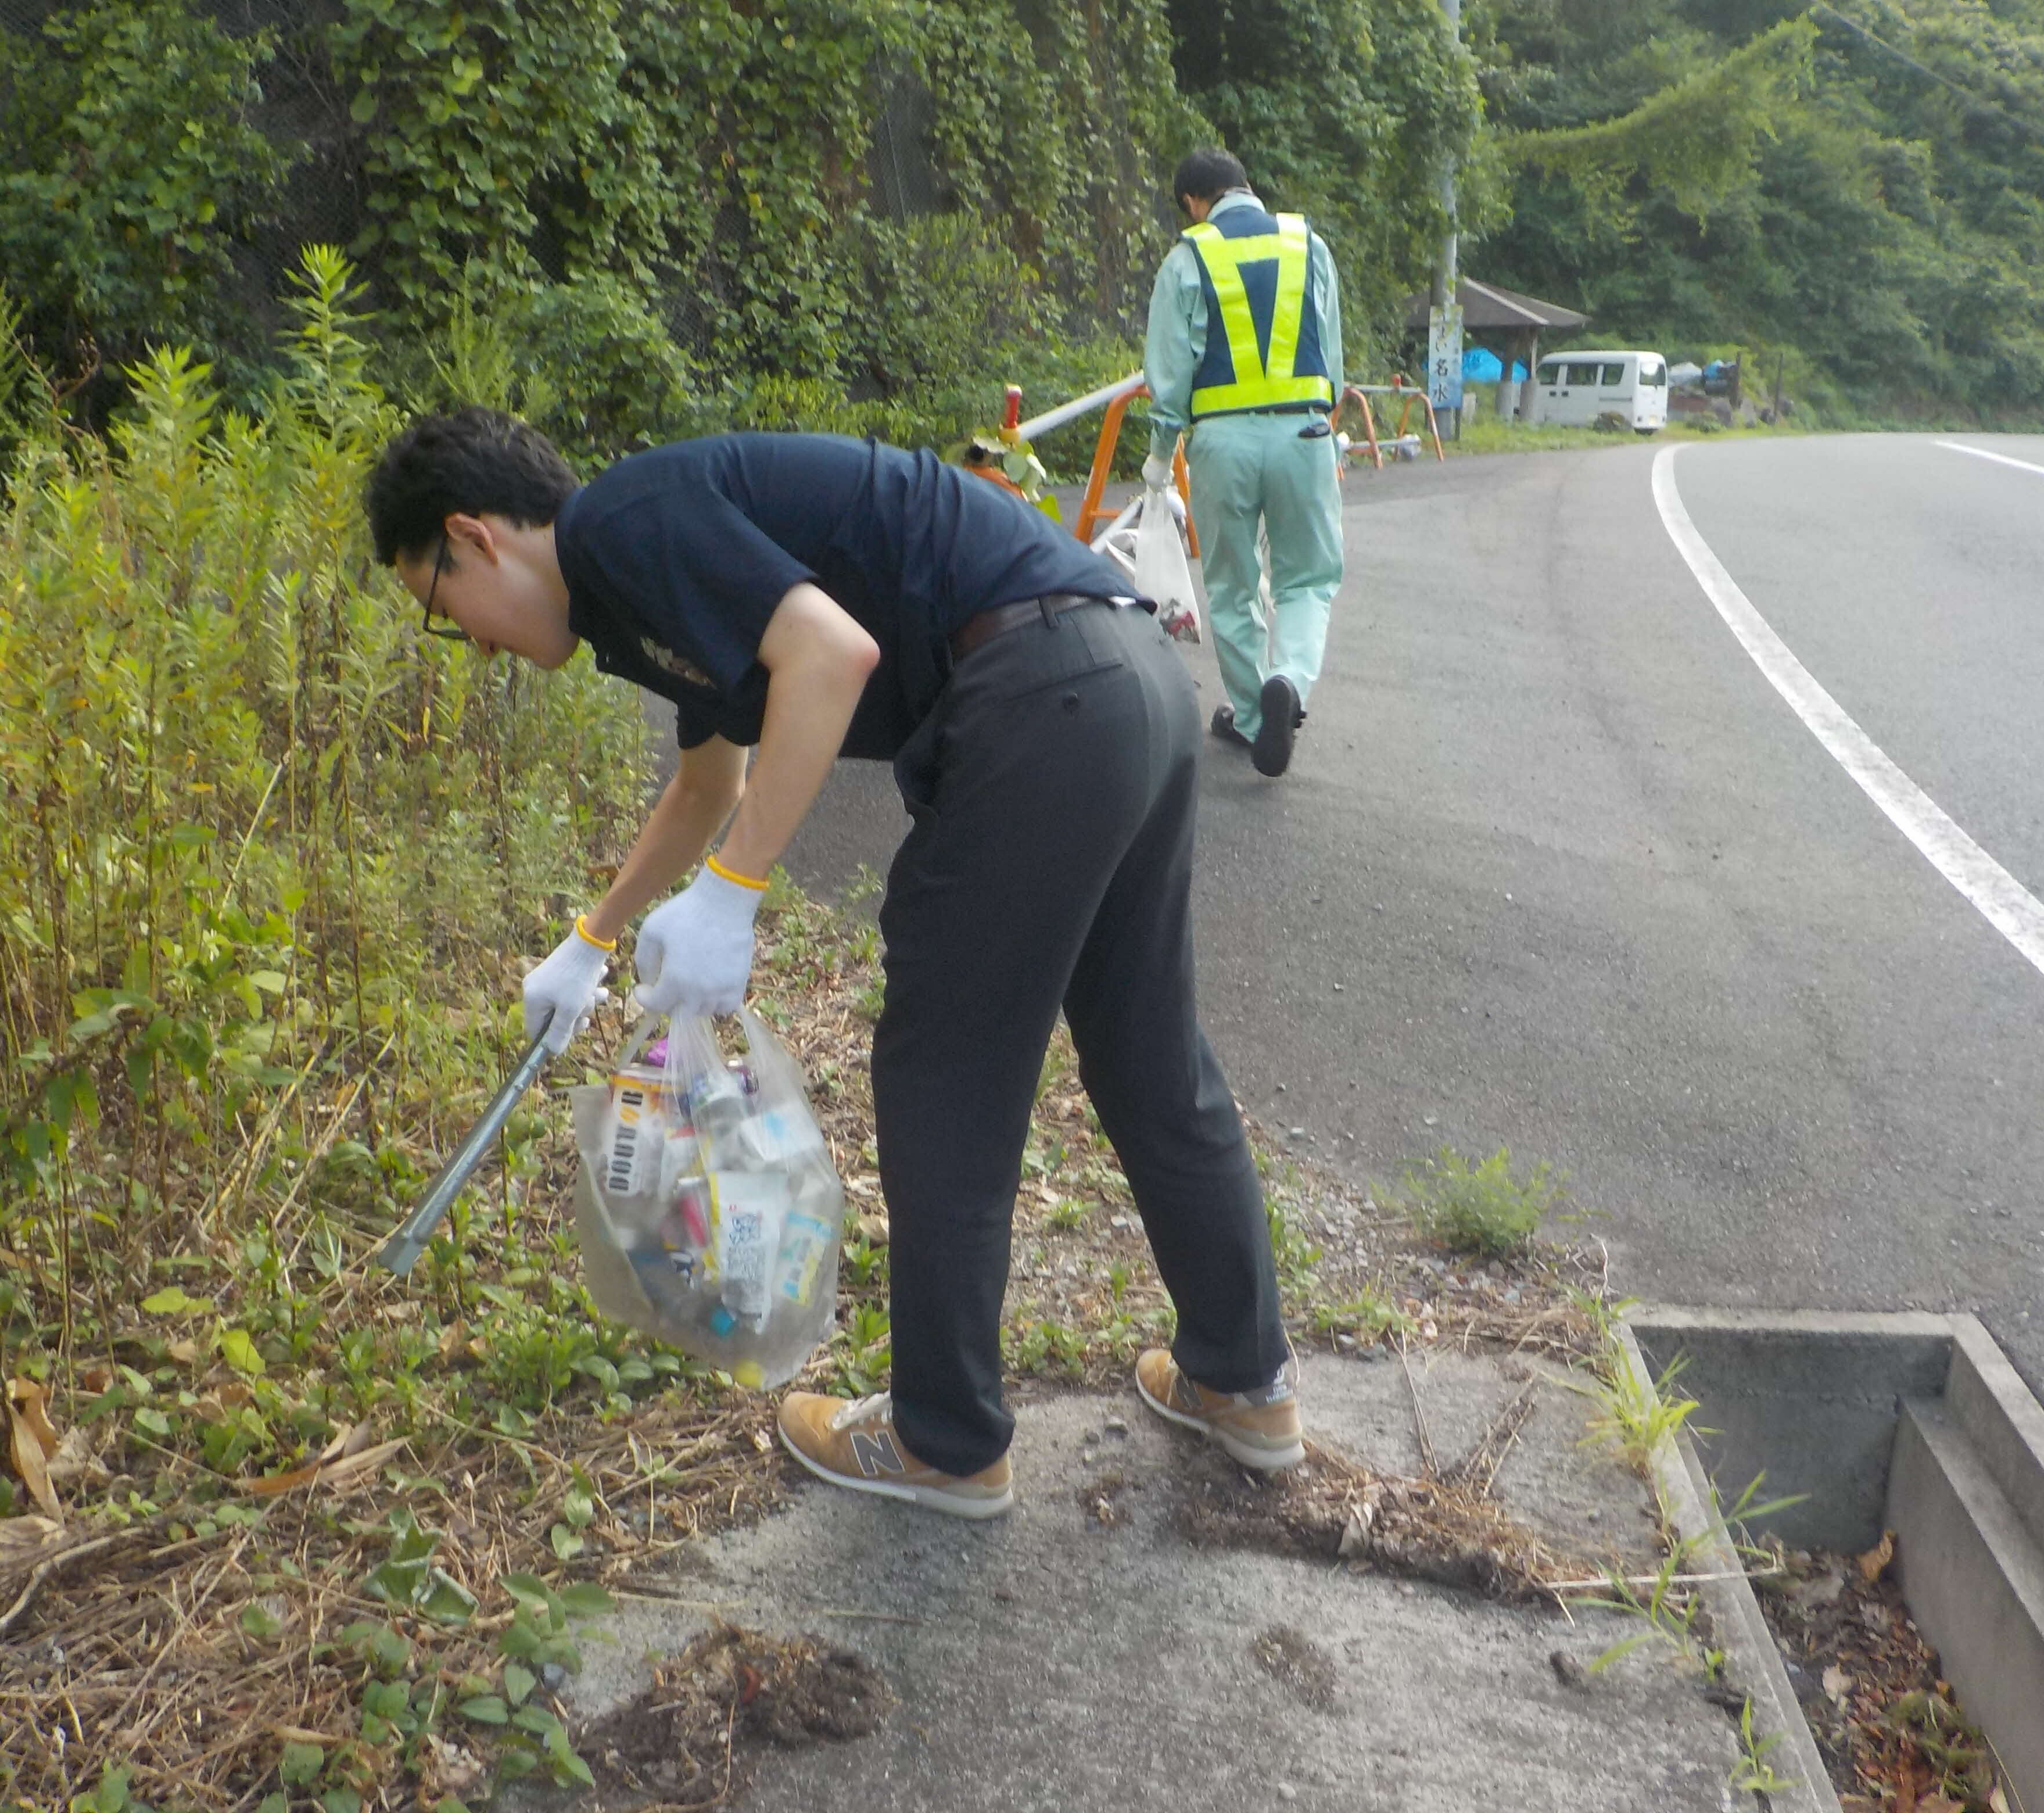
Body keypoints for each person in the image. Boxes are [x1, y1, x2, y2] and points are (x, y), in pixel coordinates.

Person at [364, 411, 1302, 1518]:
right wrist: (595, 936)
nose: (470, 645)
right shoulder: (637, 580)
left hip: (1038, 698)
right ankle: (1245, 1385)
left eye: (442, 611)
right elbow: (711, 780)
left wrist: (737, 891)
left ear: (474, 539)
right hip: (1126, 677)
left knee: (943, 1076)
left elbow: (832, 652)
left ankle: (944, 1443)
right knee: (1148, 1052)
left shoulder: (620, 525)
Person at [1142, 147, 1346, 780]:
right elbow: (1332, 360)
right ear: (1246, 187)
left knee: (1231, 586)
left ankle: (1258, 718)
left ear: (1192, 203)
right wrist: (1319, 418)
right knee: (1306, 580)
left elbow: (1170, 376)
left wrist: (1157, 458)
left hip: (1221, 444)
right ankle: (1289, 683)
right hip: (1302, 432)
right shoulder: (1305, 242)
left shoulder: (1186, 257)